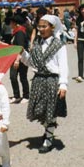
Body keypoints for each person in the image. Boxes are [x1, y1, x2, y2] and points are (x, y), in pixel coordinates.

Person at [26, 14, 69, 153]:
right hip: (38, 80)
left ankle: (48, 139)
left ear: (52, 27)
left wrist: (63, 84)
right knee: (39, 111)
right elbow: (31, 62)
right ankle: (49, 130)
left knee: (50, 111)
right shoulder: (38, 43)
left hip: (52, 81)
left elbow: (63, 66)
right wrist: (21, 53)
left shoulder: (59, 45)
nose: (41, 29)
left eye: (44, 26)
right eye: (39, 26)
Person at [8, 15, 30, 104]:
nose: (9, 24)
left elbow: (21, 47)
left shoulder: (20, 32)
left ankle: (26, 96)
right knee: (13, 76)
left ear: (14, 23)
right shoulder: (15, 32)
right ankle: (16, 95)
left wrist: (17, 60)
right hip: (15, 57)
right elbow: (13, 46)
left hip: (21, 58)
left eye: (10, 22)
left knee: (23, 77)